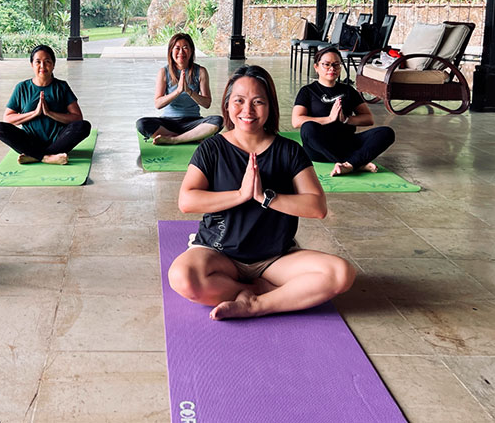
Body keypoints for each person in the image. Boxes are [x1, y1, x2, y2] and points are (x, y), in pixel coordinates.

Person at [167, 65, 355, 320]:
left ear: (270, 106)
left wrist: (266, 197)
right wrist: (241, 194)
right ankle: (256, 290)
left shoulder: (289, 151)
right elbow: (187, 201)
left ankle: (256, 304)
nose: (248, 110)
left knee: (341, 273)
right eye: (239, 101)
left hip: (276, 258)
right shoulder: (212, 148)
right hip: (219, 254)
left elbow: (317, 207)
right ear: (227, 104)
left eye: (258, 102)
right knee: (182, 277)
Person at [292, 46, 396, 177]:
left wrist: (346, 119)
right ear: (316, 67)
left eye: (336, 65)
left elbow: (368, 119)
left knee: (386, 133)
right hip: (320, 148)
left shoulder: (348, 90)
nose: (332, 68)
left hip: (347, 143)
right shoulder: (307, 91)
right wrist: (329, 119)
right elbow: (296, 121)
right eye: (326, 64)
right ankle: (355, 163)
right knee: (307, 128)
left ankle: (351, 164)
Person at [0, 44, 91, 165]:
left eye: (47, 61)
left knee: (84, 126)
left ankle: (35, 155)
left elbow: (77, 117)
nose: (42, 66)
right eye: (38, 62)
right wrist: (35, 113)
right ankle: (47, 157)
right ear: (32, 65)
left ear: (53, 64)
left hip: (58, 141)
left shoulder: (61, 87)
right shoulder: (22, 88)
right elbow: (7, 118)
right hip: (30, 141)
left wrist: (50, 113)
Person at [136, 33, 223, 145]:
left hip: (193, 122)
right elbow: (158, 104)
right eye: (177, 48)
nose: (181, 52)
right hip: (168, 123)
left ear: (191, 51)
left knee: (218, 121)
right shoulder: (164, 72)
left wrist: (189, 91)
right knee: (142, 124)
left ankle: (174, 139)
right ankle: (192, 137)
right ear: (171, 51)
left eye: (185, 48)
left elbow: (207, 103)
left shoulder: (201, 71)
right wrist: (178, 91)